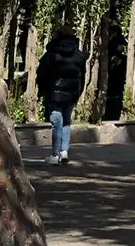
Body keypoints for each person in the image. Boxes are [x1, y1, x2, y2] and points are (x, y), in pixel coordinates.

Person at [36, 25, 86, 165]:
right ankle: (64, 151)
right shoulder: (79, 55)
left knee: (56, 123)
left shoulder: (51, 54)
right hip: (71, 93)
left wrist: (42, 90)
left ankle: (55, 154)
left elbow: (42, 74)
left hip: (54, 93)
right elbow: (82, 76)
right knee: (66, 121)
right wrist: (78, 92)